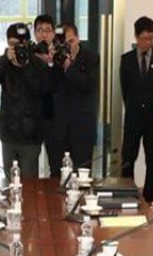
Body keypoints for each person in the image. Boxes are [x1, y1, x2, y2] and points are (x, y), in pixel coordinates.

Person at [0, 22, 47, 179]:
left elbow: (41, 89)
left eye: (19, 44)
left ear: (27, 42)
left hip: (31, 134)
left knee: (29, 182)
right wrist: (4, 61)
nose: (16, 48)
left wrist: (26, 66)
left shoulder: (37, 63)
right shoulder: (4, 62)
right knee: (10, 180)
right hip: (8, 131)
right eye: (12, 44)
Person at [119, 16, 153, 200]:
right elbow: (126, 91)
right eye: (145, 38)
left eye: (151, 38)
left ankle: (148, 196)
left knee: (152, 160)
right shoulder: (127, 60)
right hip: (133, 117)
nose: (148, 42)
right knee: (128, 158)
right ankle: (126, 193)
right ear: (136, 37)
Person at [51, 23, 98, 171]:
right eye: (64, 43)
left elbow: (88, 85)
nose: (68, 46)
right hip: (60, 127)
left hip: (82, 127)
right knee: (58, 174)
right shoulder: (56, 59)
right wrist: (50, 62)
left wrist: (68, 67)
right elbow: (48, 86)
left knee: (82, 173)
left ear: (78, 39)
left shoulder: (91, 58)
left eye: (71, 42)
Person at [33, 14, 59, 177]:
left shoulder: (60, 55)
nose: (44, 34)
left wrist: (50, 63)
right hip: (32, 119)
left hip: (54, 119)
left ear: (54, 33)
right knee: (28, 168)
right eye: (40, 30)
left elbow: (55, 86)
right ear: (35, 33)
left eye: (48, 30)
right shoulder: (27, 55)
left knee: (55, 165)